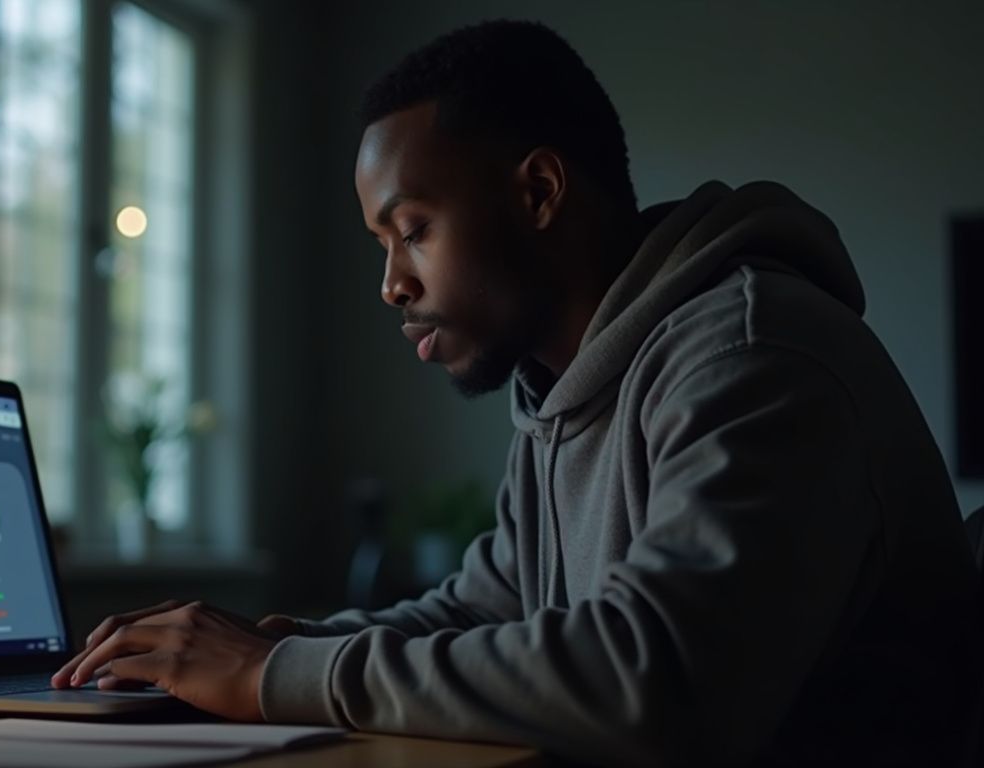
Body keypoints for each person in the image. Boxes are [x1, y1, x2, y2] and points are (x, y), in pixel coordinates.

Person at [52, 19, 982, 766]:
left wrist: (276, 674)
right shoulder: (561, 397)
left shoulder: (753, 357)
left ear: (538, 192)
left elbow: (659, 683)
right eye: (382, 245)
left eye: (411, 229)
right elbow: (483, 609)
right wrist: (267, 643)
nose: (391, 285)